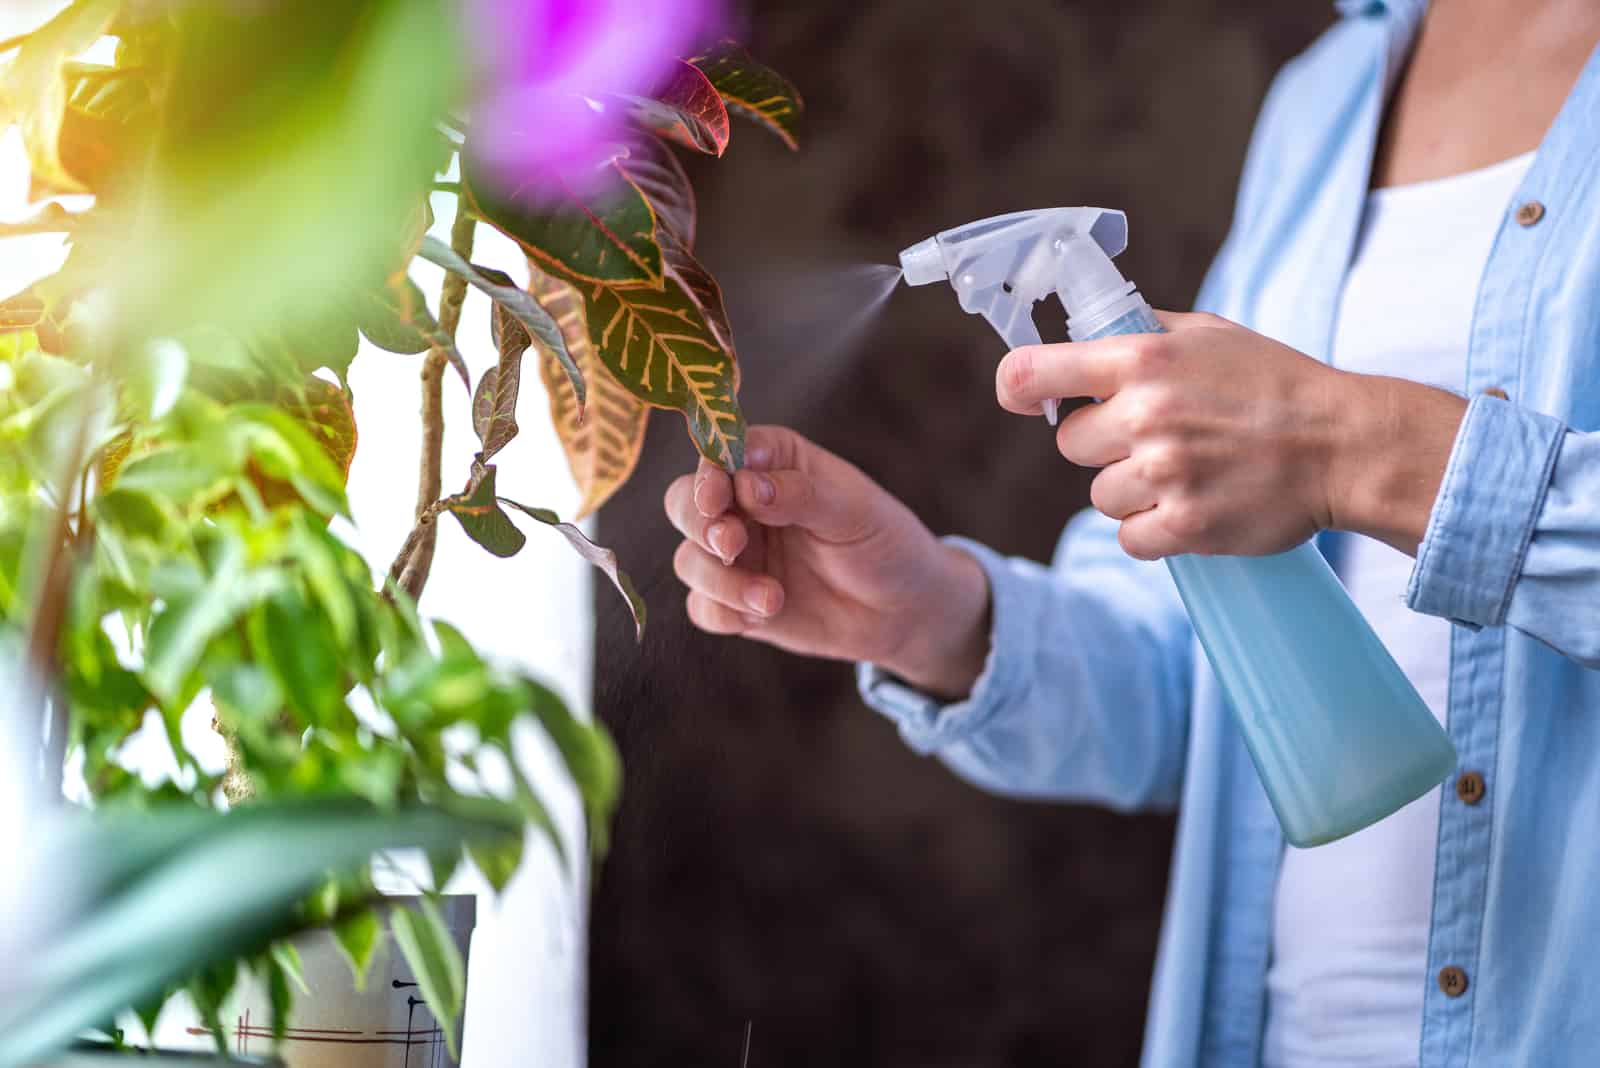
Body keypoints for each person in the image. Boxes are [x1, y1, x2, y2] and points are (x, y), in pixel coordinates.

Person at [664, 0, 1600, 1064]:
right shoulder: (1332, 92)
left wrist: (1350, 448)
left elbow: (1312, 449)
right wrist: (935, 616)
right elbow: (1202, 683)